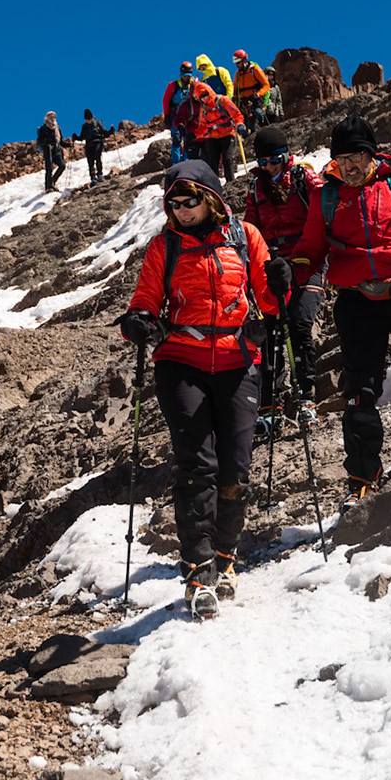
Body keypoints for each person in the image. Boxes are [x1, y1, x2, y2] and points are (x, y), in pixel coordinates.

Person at [117, 160, 289, 618]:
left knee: (235, 467)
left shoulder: (245, 236)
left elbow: (269, 301)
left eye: (188, 200)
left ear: (210, 197)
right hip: (180, 361)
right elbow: (145, 300)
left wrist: (278, 285)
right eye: (172, 203)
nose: (180, 210)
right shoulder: (163, 246)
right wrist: (137, 322)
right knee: (197, 464)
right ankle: (199, 570)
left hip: (238, 360)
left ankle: (227, 558)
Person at [286, 115, 391, 511]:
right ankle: (363, 478)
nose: (349, 165)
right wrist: (289, 270)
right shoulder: (325, 197)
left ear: (372, 154)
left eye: (357, 155)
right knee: (360, 394)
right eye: (342, 157)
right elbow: (310, 250)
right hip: (357, 301)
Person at [242, 125, 324, 430]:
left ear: (286, 155)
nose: (270, 168)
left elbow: (322, 209)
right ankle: (270, 403)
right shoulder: (255, 189)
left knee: (300, 323)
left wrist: (306, 254)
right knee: (271, 331)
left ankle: (307, 396)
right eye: (263, 163)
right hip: (274, 267)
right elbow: (252, 230)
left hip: (307, 262)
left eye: (275, 160)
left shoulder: (304, 178)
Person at [187, 80, 244, 185]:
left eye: (205, 95)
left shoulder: (223, 100)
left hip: (228, 133)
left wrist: (239, 124)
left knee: (227, 159)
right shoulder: (203, 109)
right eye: (201, 97)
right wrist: (194, 135)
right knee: (213, 162)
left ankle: (231, 184)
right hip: (213, 137)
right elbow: (203, 127)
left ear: (210, 91)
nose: (204, 98)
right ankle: (214, 186)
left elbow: (236, 115)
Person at [160, 62, 198, 164]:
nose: (187, 78)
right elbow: (166, 100)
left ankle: (185, 162)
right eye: (185, 76)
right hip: (175, 117)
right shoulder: (173, 85)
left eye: (188, 76)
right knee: (176, 139)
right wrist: (167, 115)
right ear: (181, 74)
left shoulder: (193, 85)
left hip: (189, 117)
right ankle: (176, 164)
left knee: (188, 139)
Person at [232, 50, 273, 135]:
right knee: (244, 124)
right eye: (236, 63)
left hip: (255, 99)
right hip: (243, 102)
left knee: (255, 120)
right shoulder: (238, 74)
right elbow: (235, 89)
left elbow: (266, 85)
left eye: (238, 63)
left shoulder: (254, 70)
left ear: (244, 60)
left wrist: (259, 93)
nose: (237, 65)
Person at [78, 109, 112, 186]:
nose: (88, 120)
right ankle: (93, 178)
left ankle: (100, 174)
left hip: (98, 142)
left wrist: (110, 131)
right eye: (87, 119)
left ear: (92, 117)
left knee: (97, 157)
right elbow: (82, 137)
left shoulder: (98, 123)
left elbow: (104, 133)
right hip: (88, 144)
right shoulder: (84, 126)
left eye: (89, 118)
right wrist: (76, 137)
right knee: (90, 161)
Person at [36, 111, 67, 191]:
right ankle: (48, 187)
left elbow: (61, 141)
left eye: (54, 116)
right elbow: (40, 140)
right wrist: (46, 141)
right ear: (47, 118)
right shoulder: (43, 128)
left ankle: (52, 182)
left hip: (56, 149)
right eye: (51, 116)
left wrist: (68, 145)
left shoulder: (57, 128)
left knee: (62, 165)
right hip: (47, 149)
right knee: (49, 168)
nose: (53, 118)